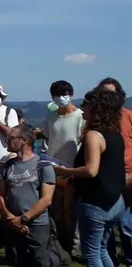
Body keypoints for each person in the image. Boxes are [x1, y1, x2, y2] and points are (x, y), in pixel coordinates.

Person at [55, 89, 127, 267]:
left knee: (92, 253)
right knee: (102, 249)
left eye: (86, 104)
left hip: (95, 202)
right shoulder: (115, 135)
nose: (82, 108)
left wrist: (63, 170)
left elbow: (91, 170)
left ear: (96, 109)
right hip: (114, 201)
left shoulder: (93, 136)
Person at [0, 125, 62, 267]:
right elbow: (0, 194)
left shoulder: (43, 166)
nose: (7, 141)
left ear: (24, 140)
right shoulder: (7, 166)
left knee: (40, 265)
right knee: (15, 262)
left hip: (36, 222)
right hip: (13, 221)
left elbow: (46, 199)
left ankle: (57, 253)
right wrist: (10, 217)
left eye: (11, 138)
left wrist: (24, 219)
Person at [41, 80, 85, 256]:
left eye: (64, 94)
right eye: (57, 95)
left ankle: (74, 245)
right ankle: (60, 242)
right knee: (56, 209)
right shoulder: (50, 117)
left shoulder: (80, 117)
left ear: (71, 95)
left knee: (70, 210)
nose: (61, 98)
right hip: (53, 168)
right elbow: (47, 137)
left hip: (72, 170)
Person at [96, 78, 132, 267]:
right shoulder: (98, 121)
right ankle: (109, 258)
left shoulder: (129, 117)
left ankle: (130, 259)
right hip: (106, 177)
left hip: (129, 176)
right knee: (106, 221)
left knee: (127, 222)